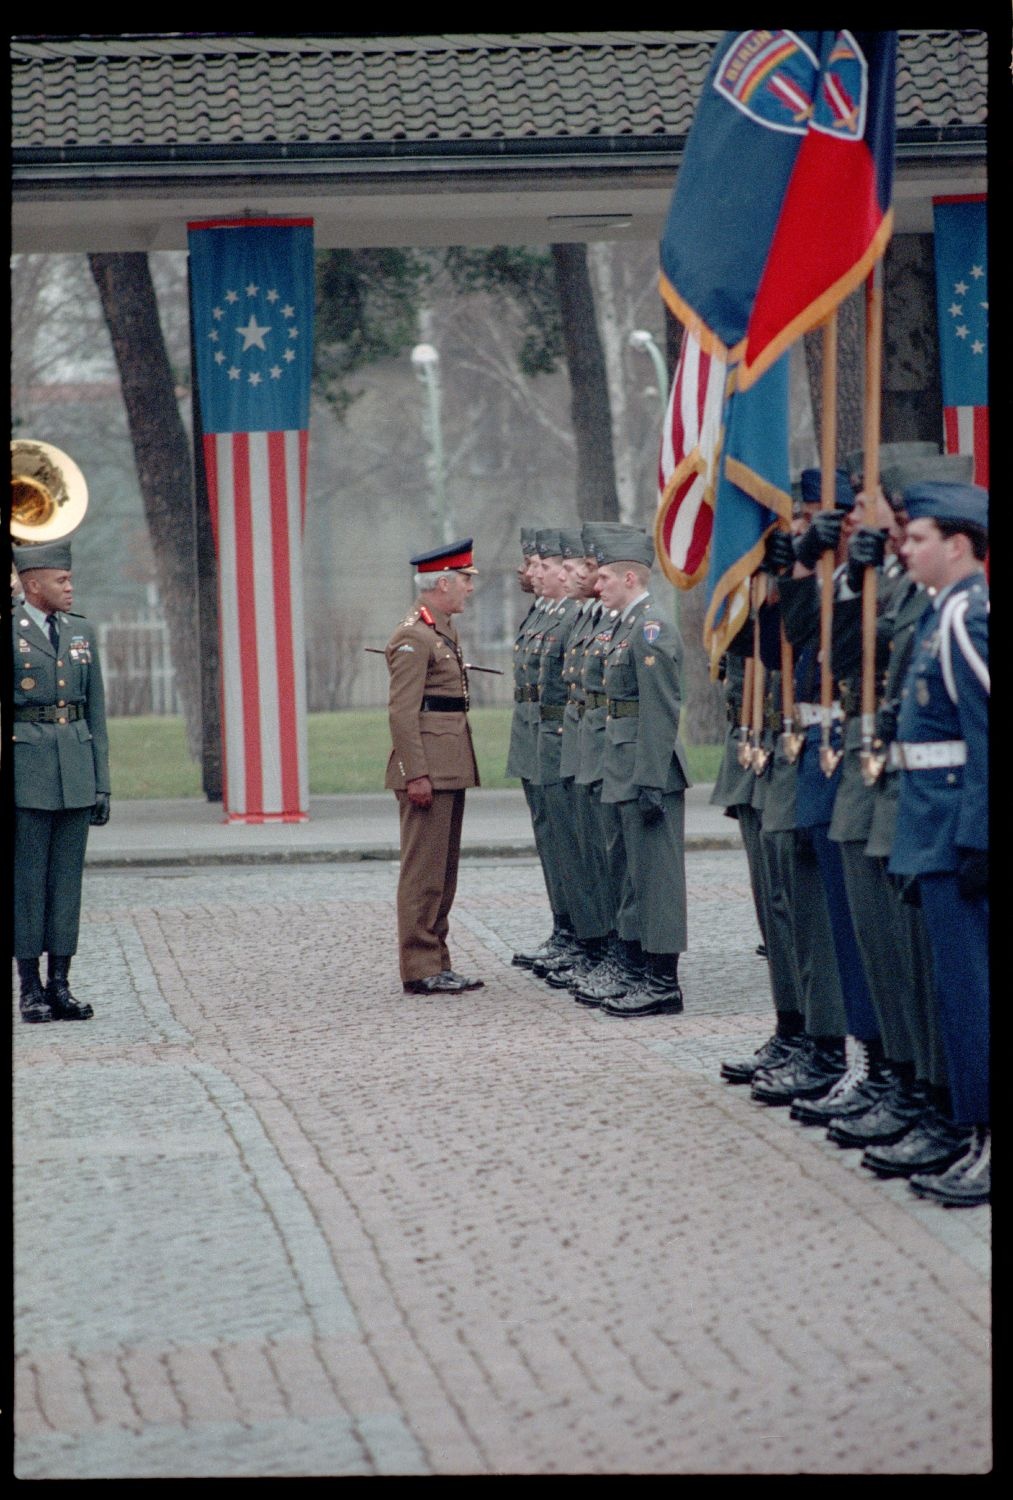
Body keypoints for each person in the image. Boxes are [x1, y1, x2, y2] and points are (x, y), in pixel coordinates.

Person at [887, 481, 989, 1207]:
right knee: (958, 995)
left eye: (917, 537)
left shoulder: (967, 620)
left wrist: (978, 839)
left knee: (975, 995)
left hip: (958, 835)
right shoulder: (937, 614)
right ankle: (974, 1135)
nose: (904, 546)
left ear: (957, 544)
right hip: (933, 828)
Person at [595, 524, 691, 1017]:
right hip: (624, 765)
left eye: (606, 577)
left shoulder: (652, 628)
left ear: (631, 578)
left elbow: (660, 709)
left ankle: (662, 980)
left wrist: (651, 778)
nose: (597, 585)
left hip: (646, 769)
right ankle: (637, 969)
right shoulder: (626, 626)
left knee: (656, 879)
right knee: (632, 876)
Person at [13, 539, 110, 1023]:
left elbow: (97, 714)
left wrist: (102, 784)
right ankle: (29, 988)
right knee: (28, 883)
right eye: (61, 580)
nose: (70, 587)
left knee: (66, 885)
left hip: (74, 770)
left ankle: (60, 985)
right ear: (33, 584)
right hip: (26, 774)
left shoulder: (80, 632)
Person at [384, 538, 483, 996]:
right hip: (427, 771)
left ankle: (436, 960)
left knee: (443, 873)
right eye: (465, 581)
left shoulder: (441, 630)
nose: (469, 589)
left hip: (448, 767)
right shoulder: (414, 635)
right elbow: (402, 714)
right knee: (423, 872)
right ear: (442, 583)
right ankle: (420, 967)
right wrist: (415, 773)